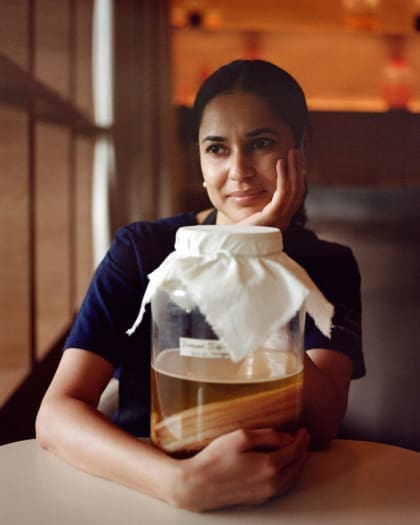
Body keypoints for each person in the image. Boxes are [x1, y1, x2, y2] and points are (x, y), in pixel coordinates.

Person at [36, 59, 365, 511]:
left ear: (301, 146)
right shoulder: (143, 250)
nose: (239, 169)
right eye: (217, 149)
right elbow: (55, 415)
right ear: (198, 156)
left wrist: (253, 257)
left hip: (285, 495)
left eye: (261, 143)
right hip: (144, 487)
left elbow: (323, 421)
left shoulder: (330, 265)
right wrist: (178, 483)